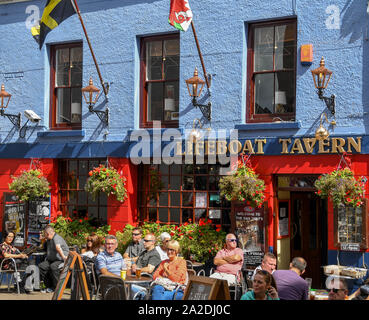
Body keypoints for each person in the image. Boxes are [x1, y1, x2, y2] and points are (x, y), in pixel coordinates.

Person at [38, 225, 69, 293]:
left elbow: (58, 247)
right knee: (42, 266)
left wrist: (63, 257)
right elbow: (43, 248)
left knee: (53, 267)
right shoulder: (49, 239)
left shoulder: (56, 238)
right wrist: (42, 241)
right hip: (52, 260)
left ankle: (57, 287)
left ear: (47, 233)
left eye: (44, 233)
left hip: (61, 260)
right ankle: (48, 286)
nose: (44, 235)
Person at [130, 233, 161, 299]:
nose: (144, 242)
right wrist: (133, 264)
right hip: (136, 278)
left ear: (153, 242)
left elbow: (149, 269)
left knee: (127, 286)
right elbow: (135, 261)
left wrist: (137, 269)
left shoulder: (154, 254)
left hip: (146, 282)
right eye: (144, 240)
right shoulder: (143, 252)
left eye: (146, 241)